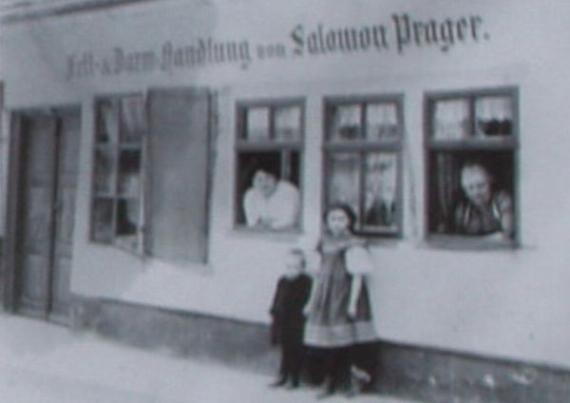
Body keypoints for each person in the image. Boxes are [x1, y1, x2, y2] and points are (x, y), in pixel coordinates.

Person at [303, 204, 378, 398]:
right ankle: (329, 380)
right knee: (328, 339)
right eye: (333, 219)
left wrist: (352, 303)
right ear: (327, 222)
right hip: (326, 294)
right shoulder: (323, 242)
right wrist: (312, 301)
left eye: (342, 219)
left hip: (345, 293)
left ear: (350, 221)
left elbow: (358, 276)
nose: (337, 224)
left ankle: (354, 380)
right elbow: (317, 274)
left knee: (347, 338)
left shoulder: (354, 243)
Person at [269, 249, 312, 389]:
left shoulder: (305, 282)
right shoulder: (282, 281)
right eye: (288, 267)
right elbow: (277, 297)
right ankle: (283, 375)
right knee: (285, 348)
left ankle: (294, 378)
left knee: (296, 349)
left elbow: (307, 301)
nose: (291, 271)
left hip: (297, 320)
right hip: (283, 319)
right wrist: (274, 310)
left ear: (302, 268)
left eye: (295, 267)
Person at [453, 163, 514, 241]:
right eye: (470, 188)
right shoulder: (462, 210)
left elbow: (507, 233)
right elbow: (457, 239)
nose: (476, 193)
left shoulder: (502, 200)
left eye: (481, 186)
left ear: (490, 182)